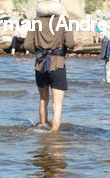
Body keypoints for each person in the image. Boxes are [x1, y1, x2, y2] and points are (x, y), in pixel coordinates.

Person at [24, 1, 77, 131]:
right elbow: (69, 43)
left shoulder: (35, 22)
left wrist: (38, 53)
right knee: (57, 104)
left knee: (43, 99)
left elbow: (27, 45)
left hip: (40, 64)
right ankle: (54, 133)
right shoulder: (64, 21)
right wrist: (75, 45)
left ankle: (42, 126)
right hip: (57, 64)